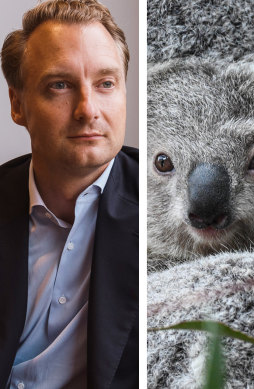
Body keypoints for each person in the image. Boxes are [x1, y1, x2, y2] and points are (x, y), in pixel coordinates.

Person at [0, 1, 138, 388]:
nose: (87, 109)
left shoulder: (169, 205)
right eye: (59, 85)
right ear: (17, 104)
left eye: (106, 84)